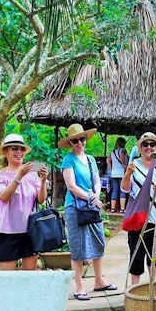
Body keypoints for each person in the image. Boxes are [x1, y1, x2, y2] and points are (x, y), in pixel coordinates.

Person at [59, 124, 117, 300]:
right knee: (77, 245)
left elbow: (97, 181)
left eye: (82, 139)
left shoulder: (91, 159)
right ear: (70, 142)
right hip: (75, 207)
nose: (79, 143)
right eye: (75, 140)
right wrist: (90, 197)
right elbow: (71, 186)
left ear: (86, 139)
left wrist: (95, 196)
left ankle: (99, 280)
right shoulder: (68, 160)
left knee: (99, 241)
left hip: (91, 205)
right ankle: (79, 286)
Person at [121, 132, 156, 285]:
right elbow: (125, 189)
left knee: (154, 253)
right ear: (140, 147)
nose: (148, 147)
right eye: (145, 144)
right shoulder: (134, 164)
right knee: (136, 252)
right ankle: (135, 288)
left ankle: (152, 287)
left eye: (152, 144)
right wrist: (127, 173)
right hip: (138, 216)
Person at [0, 134, 48, 270]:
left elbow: (41, 200)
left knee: (28, 275)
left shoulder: (32, 174)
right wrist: (18, 176)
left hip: (30, 229)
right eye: (14, 148)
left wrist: (44, 180)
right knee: (8, 277)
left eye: (22, 149)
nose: (19, 152)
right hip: (8, 230)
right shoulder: (0, 175)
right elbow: (4, 197)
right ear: (5, 152)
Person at [106, 137, 128, 213]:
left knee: (115, 190)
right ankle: (122, 209)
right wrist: (124, 165)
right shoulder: (122, 150)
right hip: (121, 173)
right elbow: (122, 159)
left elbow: (108, 160)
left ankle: (112, 208)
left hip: (114, 173)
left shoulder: (113, 152)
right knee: (122, 190)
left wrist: (111, 168)